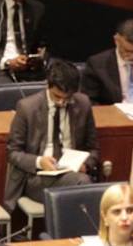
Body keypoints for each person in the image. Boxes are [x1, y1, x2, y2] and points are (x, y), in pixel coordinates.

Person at [5, 59, 99, 209]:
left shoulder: (83, 104)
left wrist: (86, 165)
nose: (62, 102)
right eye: (57, 97)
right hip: (37, 177)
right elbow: (13, 153)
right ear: (48, 85)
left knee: (82, 182)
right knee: (83, 185)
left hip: (72, 172)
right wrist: (39, 161)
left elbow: (93, 148)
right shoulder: (27, 107)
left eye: (67, 98)